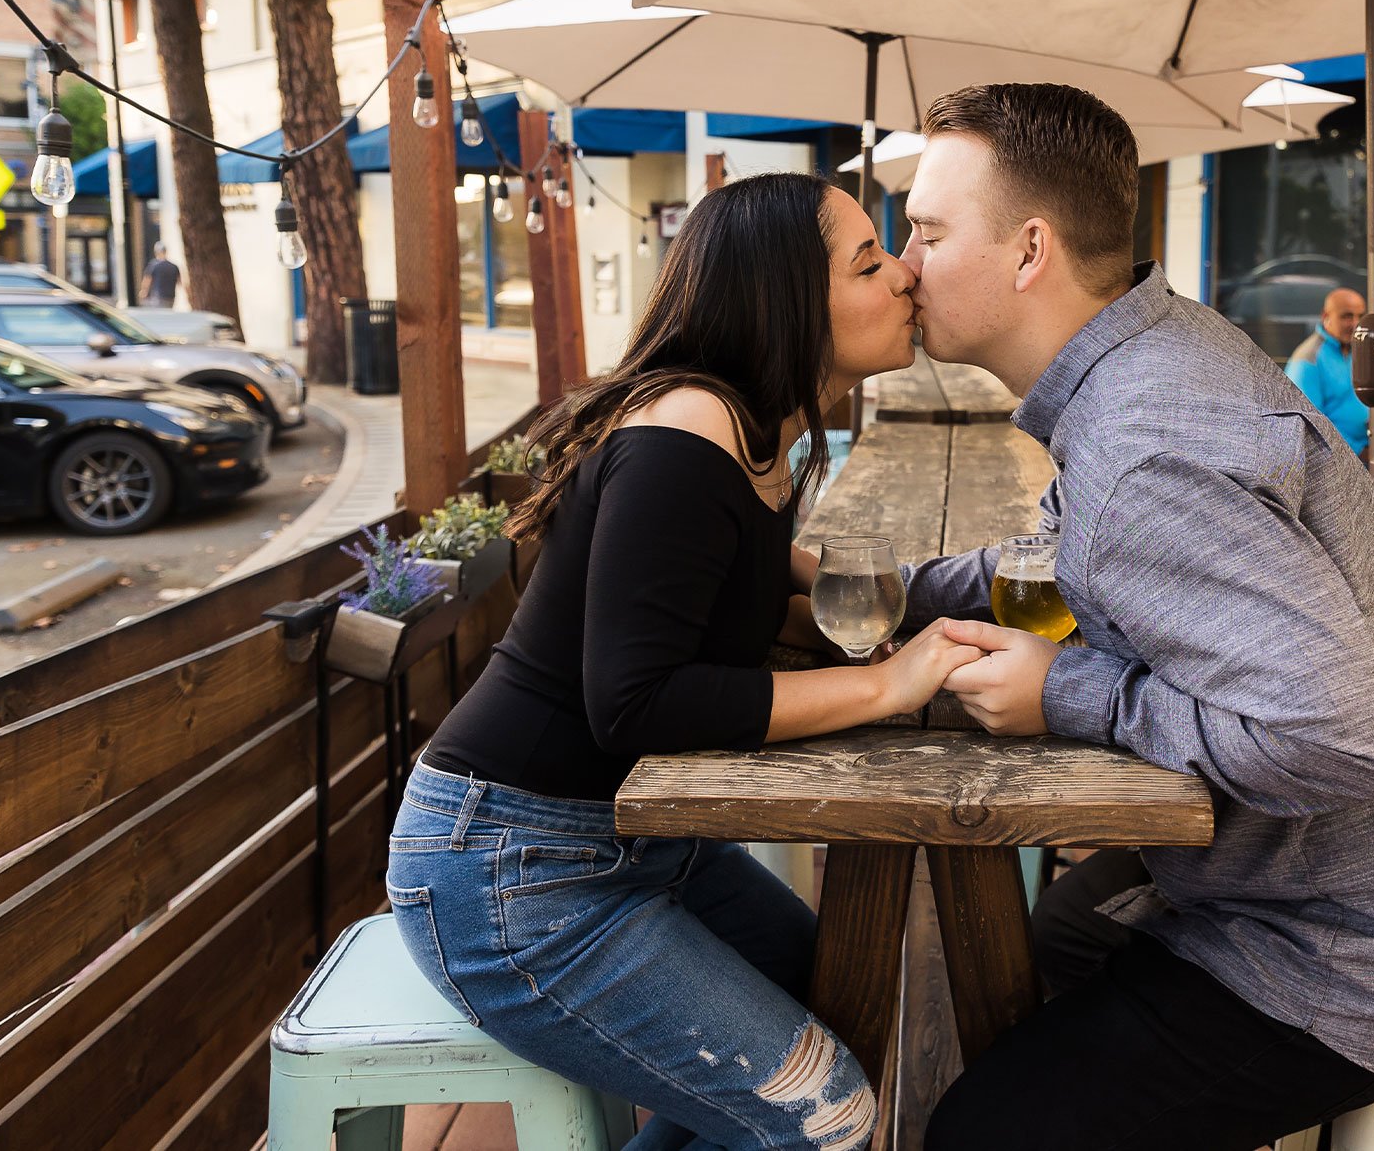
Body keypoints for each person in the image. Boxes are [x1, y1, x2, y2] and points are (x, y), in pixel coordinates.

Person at [881, 84, 1374, 1151]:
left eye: (925, 229)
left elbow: (1350, 740)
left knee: (975, 1131)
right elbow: (1061, 556)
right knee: (1056, 930)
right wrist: (898, 586)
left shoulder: (1146, 448)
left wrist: (1067, 692)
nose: (903, 262)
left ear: (1028, 250)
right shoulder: (1150, 358)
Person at [387, 174, 983, 1151]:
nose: (907, 276)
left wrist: (896, 607)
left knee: (828, 988)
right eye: (869, 261)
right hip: (513, 874)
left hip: (626, 844)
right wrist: (884, 684)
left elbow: (754, 589)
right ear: (783, 294)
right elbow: (637, 703)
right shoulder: (684, 428)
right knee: (827, 1114)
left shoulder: (756, 438)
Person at [1283, 285, 1369, 453]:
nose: (1355, 324)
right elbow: (1309, 427)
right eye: (1347, 316)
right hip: (1340, 460)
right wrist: (1358, 451)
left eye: (1360, 316)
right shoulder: (1308, 358)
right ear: (1325, 316)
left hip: (1367, 446)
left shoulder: (1356, 350)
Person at [138, 243, 181, 307]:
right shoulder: (174, 266)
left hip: (157, 297)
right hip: (171, 297)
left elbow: (147, 280)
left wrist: (143, 292)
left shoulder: (153, 265)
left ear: (156, 252)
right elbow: (179, 282)